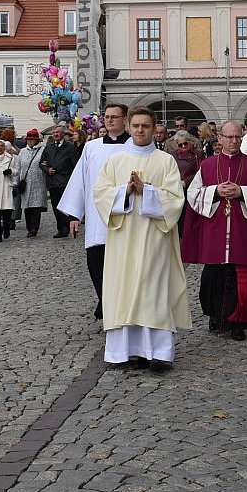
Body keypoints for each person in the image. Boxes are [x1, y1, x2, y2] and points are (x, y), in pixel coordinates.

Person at [92, 106, 190, 369]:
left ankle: (157, 353)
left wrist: (146, 191)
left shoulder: (165, 161)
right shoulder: (116, 161)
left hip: (154, 240)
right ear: (129, 126)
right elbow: (100, 194)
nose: (140, 130)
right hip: (123, 240)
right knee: (122, 291)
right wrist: (125, 190)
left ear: (154, 128)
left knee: (153, 293)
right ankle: (125, 352)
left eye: (145, 126)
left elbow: (175, 200)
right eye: (135, 125)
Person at [182, 121, 247, 341]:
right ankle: (215, 317)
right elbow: (193, 193)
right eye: (229, 137)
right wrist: (215, 191)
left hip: (242, 229)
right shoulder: (207, 166)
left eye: (237, 137)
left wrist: (242, 192)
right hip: (215, 228)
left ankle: (238, 323)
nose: (234, 141)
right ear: (220, 138)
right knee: (212, 277)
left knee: (240, 276)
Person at [57, 104, 130, 319]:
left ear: (124, 120)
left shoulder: (135, 147)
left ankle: (117, 307)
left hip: (126, 217)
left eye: (115, 117)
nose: (109, 121)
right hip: (97, 218)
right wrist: (74, 215)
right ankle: (104, 301)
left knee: (123, 267)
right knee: (96, 264)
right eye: (107, 117)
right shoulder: (92, 147)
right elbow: (80, 180)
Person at [42, 125, 79, 238]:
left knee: (65, 206)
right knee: (55, 206)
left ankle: (66, 227)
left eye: (57, 132)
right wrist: (47, 169)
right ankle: (60, 228)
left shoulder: (69, 147)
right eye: (54, 133)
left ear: (63, 134)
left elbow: (75, 164)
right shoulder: (48, 147)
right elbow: (42, 162)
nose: (55, 134)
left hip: (65, 180)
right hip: (52, 181)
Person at [15, 129, 49, 238]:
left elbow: (45, 164)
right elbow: (18, 167)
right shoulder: (22, 152)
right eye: (28, 140)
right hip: (25, 183)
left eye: (32, 140)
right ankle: (29, 227)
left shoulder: (43, 150)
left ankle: (34, 228)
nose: (30, 142)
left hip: (39, 182)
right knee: (27, 207)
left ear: (37, 141)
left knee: (36, 207)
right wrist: (16, 181)